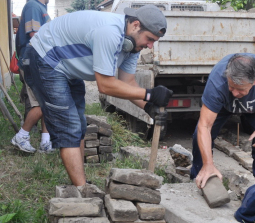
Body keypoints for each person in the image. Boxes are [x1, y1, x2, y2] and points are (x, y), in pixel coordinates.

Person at [20, 5, 172, 186]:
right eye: (149, 39)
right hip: (44, 59)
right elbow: (105, 85)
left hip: (67, 68)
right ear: (135, 25)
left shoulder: (131, 46)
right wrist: (149, 94)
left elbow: (127, 83)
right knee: (69, 126)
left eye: (154, 41)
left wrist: (148, 107)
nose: (150, 46)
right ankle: (82, 192)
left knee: (79, 124)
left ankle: (81, 183)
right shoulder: (110, 32)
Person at [191, 53, 255, 188]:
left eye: (240, 89)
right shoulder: (217, 80)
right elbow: (205, 126)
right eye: (231, 87)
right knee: (199, 137)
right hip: (223, 106)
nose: (235, 94)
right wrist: (208, 164)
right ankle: (199, 178)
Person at [12, 0, 53, 154]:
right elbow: (35, 35)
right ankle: (21, 136)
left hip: (39, 60)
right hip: (32, 61)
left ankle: (45, 142)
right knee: (41, 103)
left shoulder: (41, 7)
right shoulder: (34, 6)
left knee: (46, 102)